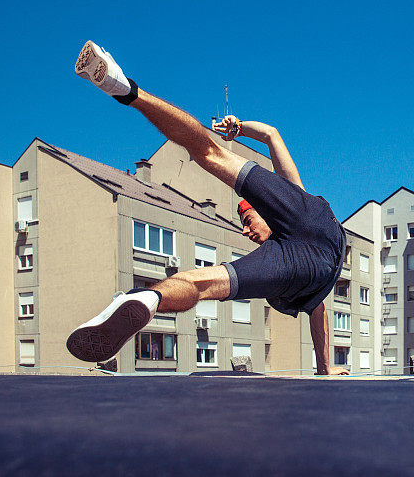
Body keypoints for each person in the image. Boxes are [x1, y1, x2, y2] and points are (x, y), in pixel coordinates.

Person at [67, 41, 349, 375]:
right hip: (317, 260)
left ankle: (123, 87)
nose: (245, 230)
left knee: (209, 152)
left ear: (266, 210)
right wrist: (324, 369)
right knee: (200, 284)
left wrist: (238, 129)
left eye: (247, 217)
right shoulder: (295, 211)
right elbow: (319, 313)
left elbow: (273, 135)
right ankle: (146, 300)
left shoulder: (294, 199)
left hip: (313, 231)